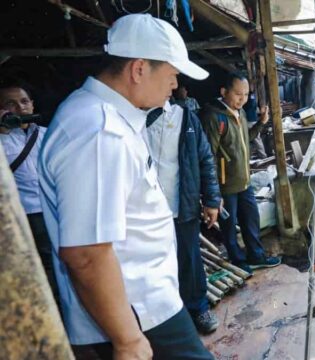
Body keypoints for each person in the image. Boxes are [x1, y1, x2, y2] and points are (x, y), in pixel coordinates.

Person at [38, 14, 214, 359]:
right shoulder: (100, 133)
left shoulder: (108, 119)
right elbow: (86, 253)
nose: (175, 86)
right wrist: (128, 339)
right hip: (136, 312)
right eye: (172, 75)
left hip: (144, 304)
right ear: (138, 69)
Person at [146, 99, 222, 334]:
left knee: (189, 259)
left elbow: (205, 158)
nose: (173, 84)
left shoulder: (186, 117)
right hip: (145, 211)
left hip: (182, 204)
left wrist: (211, 199)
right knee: (152, 266)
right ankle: (163, 318)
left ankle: (198, 308)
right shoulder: (130, 119)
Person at [201, 73, 280, 274]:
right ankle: (237, 260)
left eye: (245, 94)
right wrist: (213, 193)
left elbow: (248, 138)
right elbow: (208, 155)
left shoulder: (241, 113)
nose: (242, 99)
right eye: (238, 94)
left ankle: (256, 256)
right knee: (229, 226)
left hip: (244, 181)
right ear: (224, 92)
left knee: (250, 219)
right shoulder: (214, 117)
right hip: (225, 185)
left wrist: (261, 122)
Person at [0, 83, 59, 305]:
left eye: (24, 102)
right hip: (19, 214)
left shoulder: (48, 134)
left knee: (52, 265)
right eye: (10, 104)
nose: (20, 108)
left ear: (32, 104)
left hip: (48, 211)